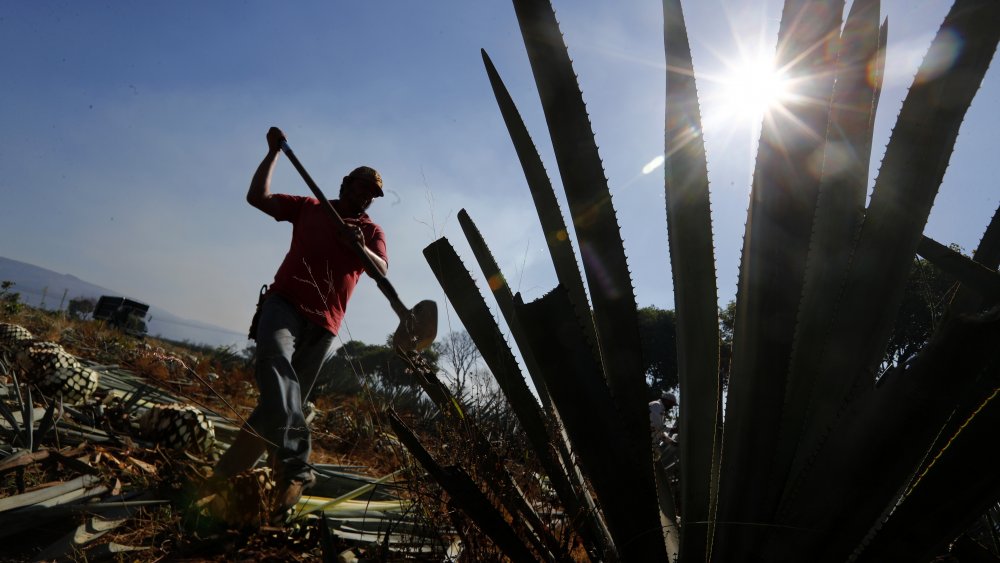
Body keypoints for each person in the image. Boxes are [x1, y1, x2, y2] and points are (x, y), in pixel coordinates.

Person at [211, 126, 389, 523]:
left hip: (325, 326)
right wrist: (273, 152)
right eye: (360, 188)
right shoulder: (309, 207)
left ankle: (224, 479)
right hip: (284, 305)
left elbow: (381, 270)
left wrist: (358, 245)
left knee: (278, 406)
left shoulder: (371, 231)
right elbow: (257, 198)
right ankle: (296, 463)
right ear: (345, 184)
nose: (364, 197)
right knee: (274, 359)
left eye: (370, 195)